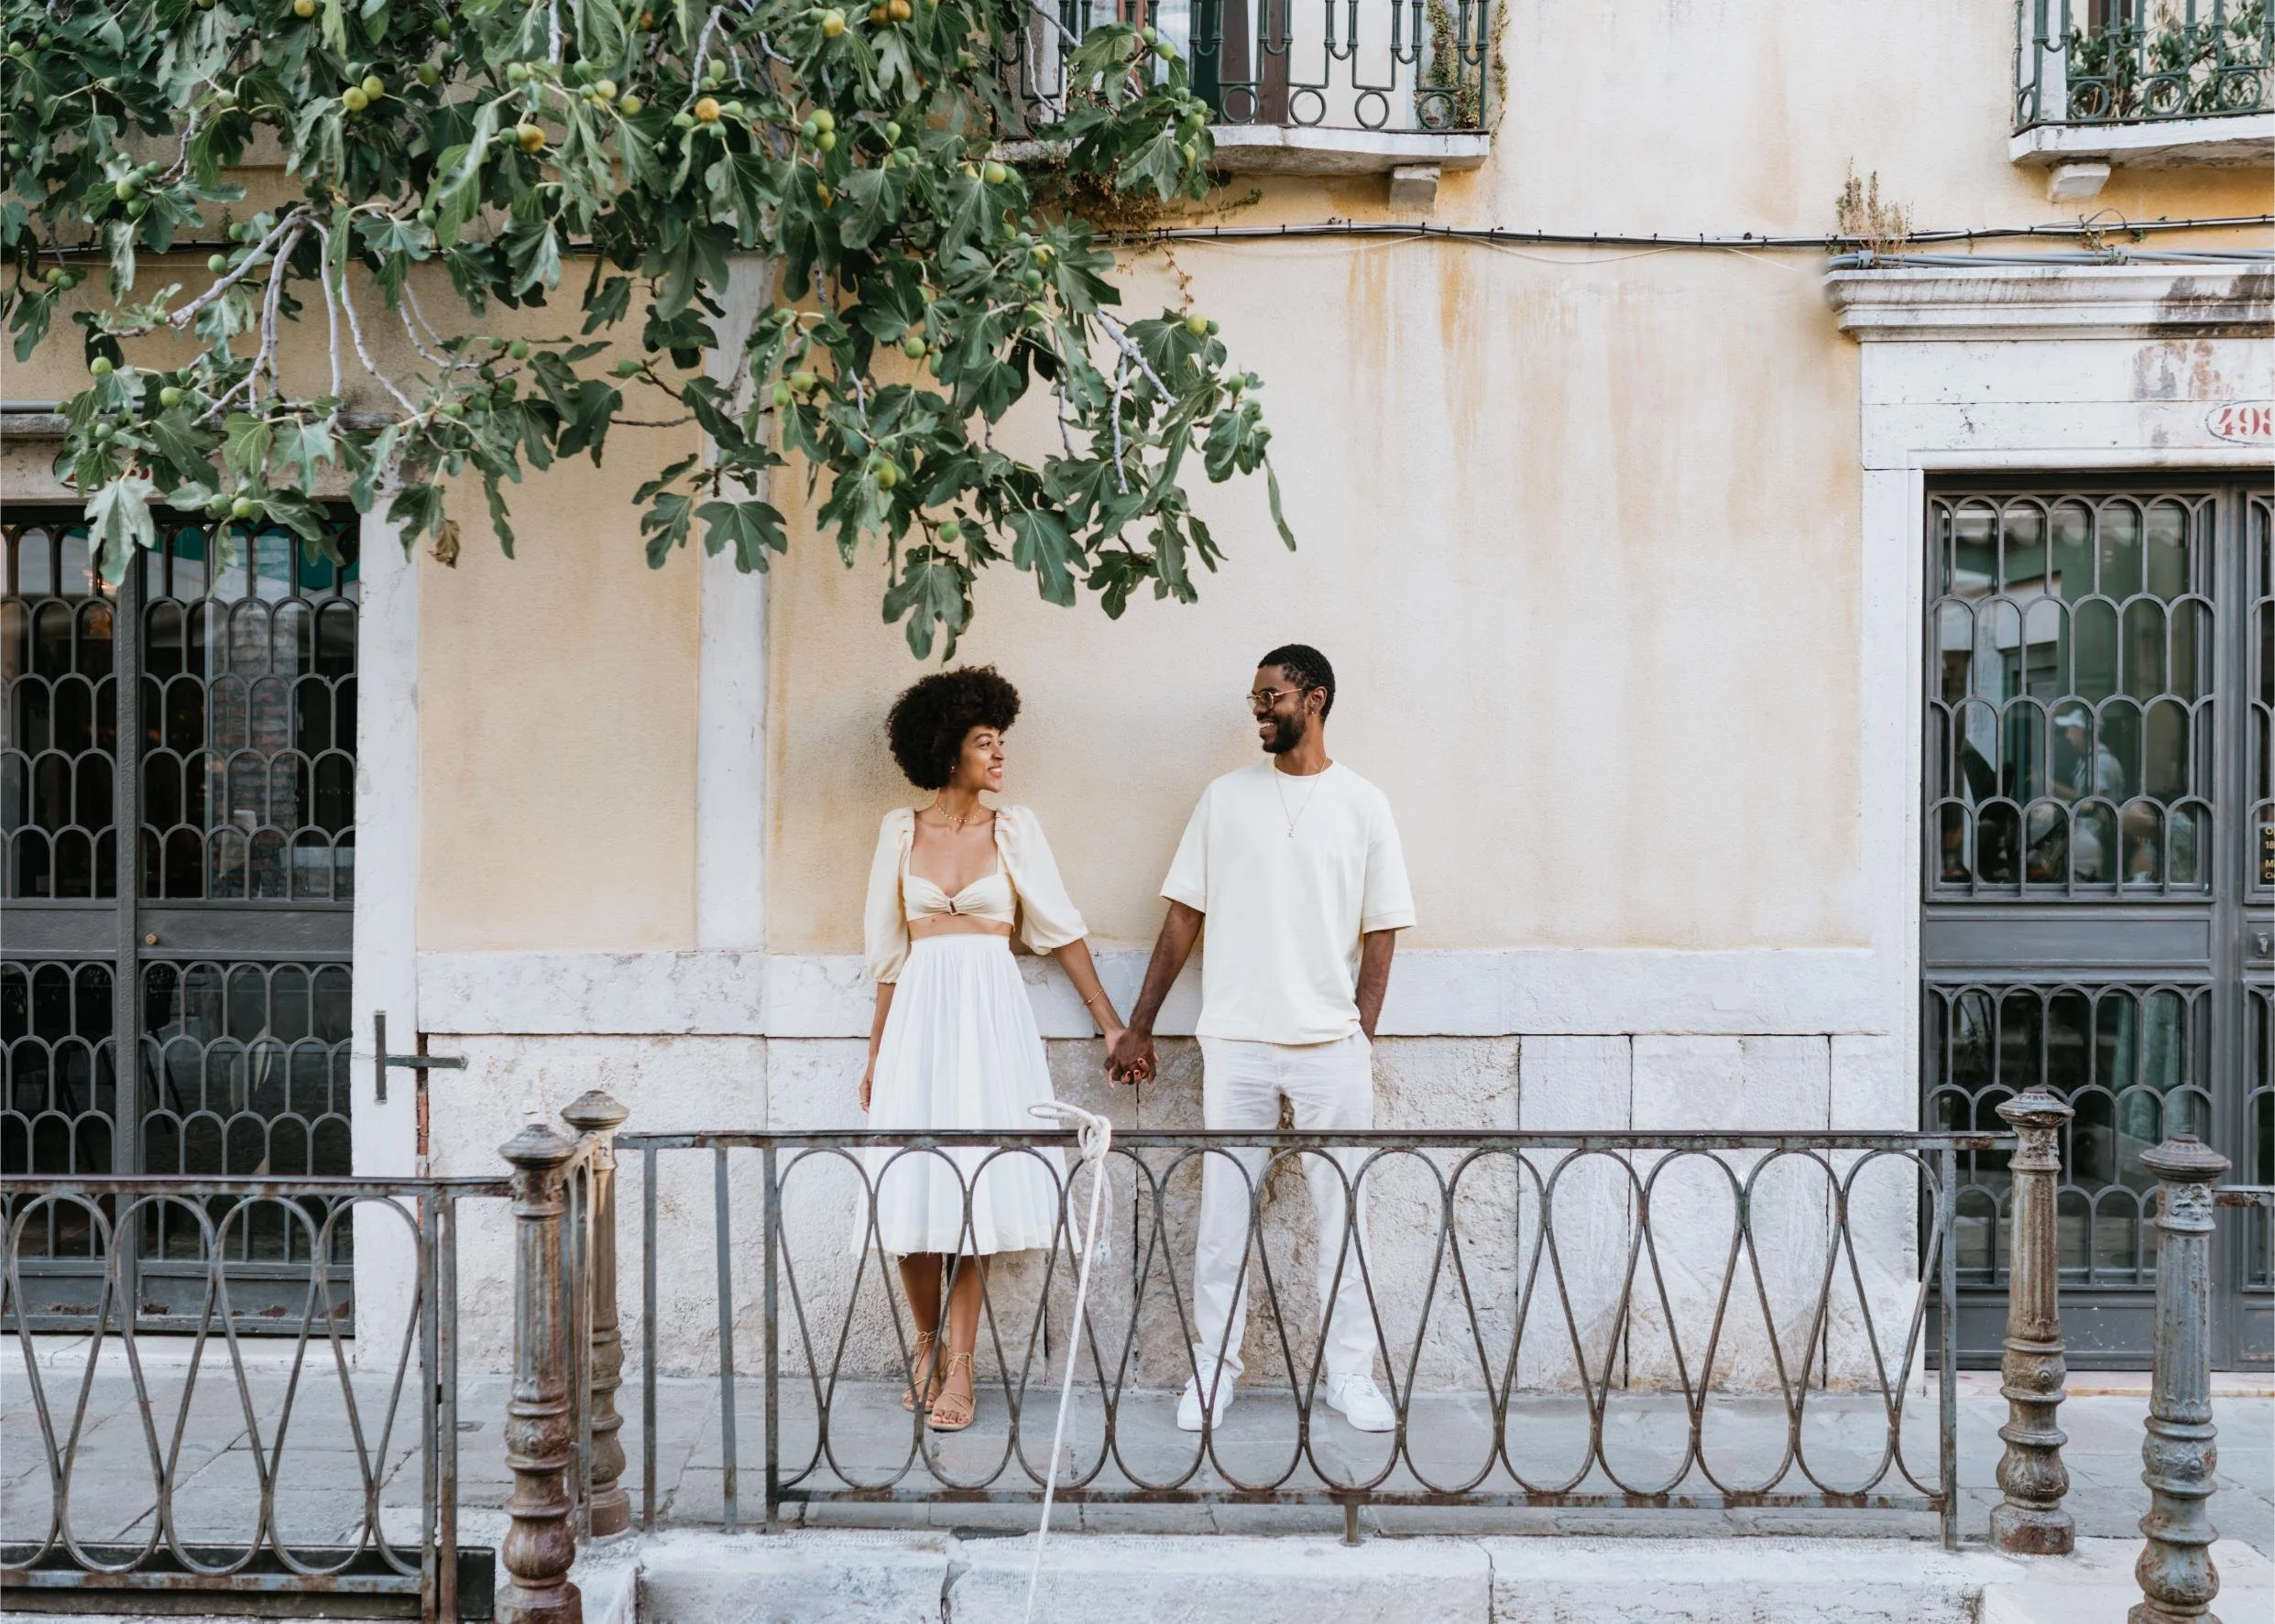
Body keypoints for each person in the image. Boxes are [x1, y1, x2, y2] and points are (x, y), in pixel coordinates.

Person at [1107, 644, 1414, 1434]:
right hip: (1236, 1041)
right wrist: (1140, 1023)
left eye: (1270, 696)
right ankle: (1212, 1371)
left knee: (1343, 1213)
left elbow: (1381, 931)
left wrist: (1360, 1034)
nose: (1257, 709)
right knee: (1222, 1217)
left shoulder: (1364, 804)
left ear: (1312, 699)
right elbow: (1184, 915)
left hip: (1328, 1047)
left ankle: (1350, 1374)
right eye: (1254, 697)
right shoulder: (1224, 798)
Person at [860, 666, 1130, 1433]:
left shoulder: (1014, 830)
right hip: (919, 1014)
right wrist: (876, 1052)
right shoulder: (897, 831)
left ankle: (961, 1363)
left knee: (971, 1186)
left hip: (988, 1017)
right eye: (986, 743)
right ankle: (924, 1339)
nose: (1000, 756)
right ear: (949, 751)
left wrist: (1108, 1021)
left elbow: (1059, 928)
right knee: (912, 1182)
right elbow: (886, 954)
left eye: (1000, 741)